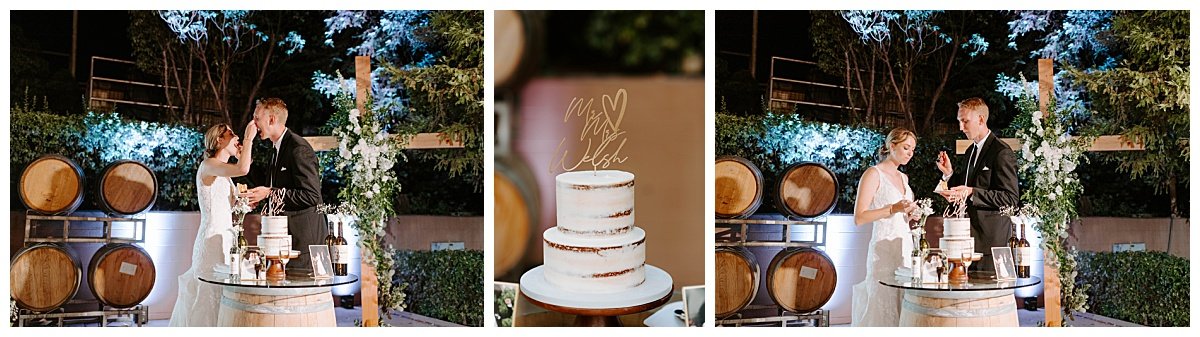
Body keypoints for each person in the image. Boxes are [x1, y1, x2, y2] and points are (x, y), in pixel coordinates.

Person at [169, 121, 257, 326]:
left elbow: (230, 205)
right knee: (208, 295)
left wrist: (243, 204)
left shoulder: (224, 173)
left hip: (226, 239)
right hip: (210, 241)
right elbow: (243, 168)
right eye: (232, 134)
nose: (236, 138)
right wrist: (248, 138)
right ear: (219, 139)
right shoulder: (209, 165)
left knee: (224, 295)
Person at [241, 98, 325, 271]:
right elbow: (278, 190)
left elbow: (312, 195)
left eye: (257, 118)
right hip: (286, 243)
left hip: (305, 245)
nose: (253, 123)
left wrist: (270, 193)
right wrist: (262, 197)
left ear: (271, 119)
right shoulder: (276, 149)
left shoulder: (298, 148)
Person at [936, 97, 1019, 272]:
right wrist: (949, 174)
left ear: (981, 119)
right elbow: (967, 187)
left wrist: (972, 192)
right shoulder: (970, 150)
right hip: (968, 241)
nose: (961, 127)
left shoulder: (1001, 152)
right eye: (959, 122)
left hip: (992, 245)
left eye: (965, 121)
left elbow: (1011, 199)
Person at [850, 128, 920, 327]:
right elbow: (860, 217)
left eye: (913, 150)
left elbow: (902, 214)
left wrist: (912, 213)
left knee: (904, 302)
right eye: (906, 148)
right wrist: (893, 208)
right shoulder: (873, 174)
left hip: (904, 247)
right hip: (883, 250)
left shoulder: (903, 178)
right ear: (892, 146)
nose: (910, 153)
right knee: (882, 302)